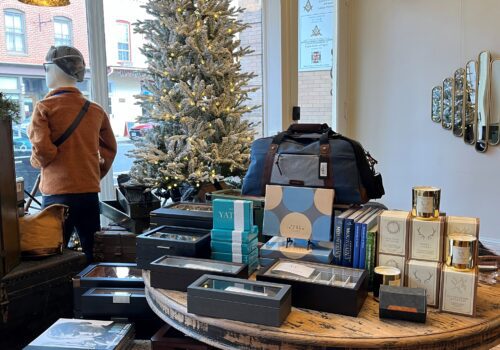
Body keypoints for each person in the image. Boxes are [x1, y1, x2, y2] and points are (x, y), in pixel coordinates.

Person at [28, 46, 117, 262]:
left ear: (55, 70)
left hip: (57, 193)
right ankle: (92, 291)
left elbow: (44, 152)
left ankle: (63, 295)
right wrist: (94, 173)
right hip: (87, 191)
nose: (45, 74)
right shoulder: (95, 110)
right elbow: (110, 149)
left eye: (46, 68)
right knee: (92, 251)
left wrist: (35, 161)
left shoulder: (44, 108)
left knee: (52, 254)